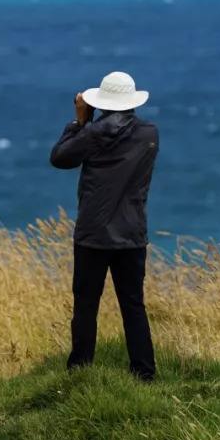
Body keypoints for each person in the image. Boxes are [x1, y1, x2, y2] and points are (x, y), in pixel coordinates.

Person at [49, 71, 159, 381]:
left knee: (86, 305)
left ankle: (81, 372)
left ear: (104, 103)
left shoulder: (93, 134)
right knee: (133, 305)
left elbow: (59, 158)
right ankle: (144, 374)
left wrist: (80, 121)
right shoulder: (150, 134)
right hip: (132, 234)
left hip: (93, 234)